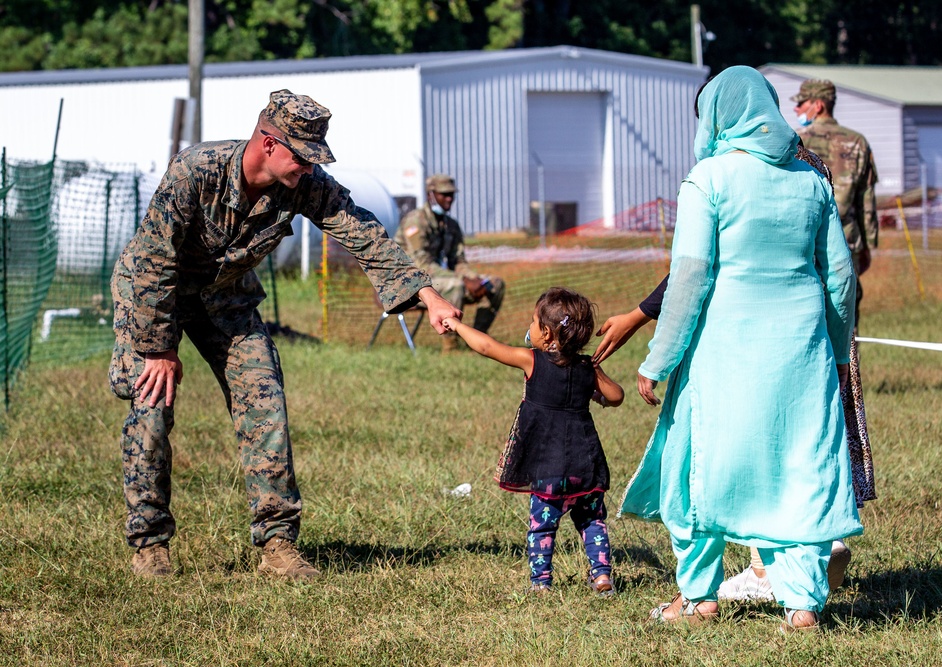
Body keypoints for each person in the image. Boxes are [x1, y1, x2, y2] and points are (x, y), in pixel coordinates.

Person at [109, 89, 461, 580]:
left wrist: (427, 295)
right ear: (269, 144)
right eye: (303, 156)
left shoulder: (304, 183)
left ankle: (278, 544)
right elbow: (153, 261)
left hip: (224, 298)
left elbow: (363, 232)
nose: (311, 169)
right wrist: (158, 348)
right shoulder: (195, 170)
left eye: (317, 159)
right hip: (151, 296)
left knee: (265, 400)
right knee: (151, 409)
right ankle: (149, 544)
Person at [618, 66, 862, 631]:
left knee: (697, 468)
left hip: (720, 357)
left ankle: (697, 599)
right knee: (801, 471)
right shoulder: (812, 182)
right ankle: (803, 607)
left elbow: (691, 278)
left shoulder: (709, 178)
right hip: (804, 357)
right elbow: (841, 281)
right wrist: (839, 352)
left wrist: (658, 360)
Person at [442, 287, 624, 595]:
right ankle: (603, 576)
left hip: (548, 469)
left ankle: (541, 584)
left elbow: (486, 346)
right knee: (592, 521)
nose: (529, 328)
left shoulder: (532, 361)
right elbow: (616, 396)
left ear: (549, 335)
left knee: (543, 527)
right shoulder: (586, 368)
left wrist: (457, 326)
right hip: (585, 466)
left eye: (533, 322)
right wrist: (593, 370)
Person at [793, 78, 878, 327]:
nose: (797, 110)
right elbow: (866, 201)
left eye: (801, 103)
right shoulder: (857, 142)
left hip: (805, 240)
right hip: (846, 241)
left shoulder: (795, 142)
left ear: (818, 105)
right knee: (846, 322)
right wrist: (868, 245)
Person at [395, 174, 505, 352]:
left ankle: (475, 342)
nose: (449, 199)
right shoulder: (416, 221)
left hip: (437, 280)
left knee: (495, 285)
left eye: (452, 194)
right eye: (444, 194)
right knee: (456, 286)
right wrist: (463, 280)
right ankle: (451, 347)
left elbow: (458, 260)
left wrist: (473, 279)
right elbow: (422, 265)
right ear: (431, 195)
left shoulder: (451, 225)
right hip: (407, 285)